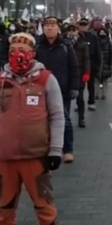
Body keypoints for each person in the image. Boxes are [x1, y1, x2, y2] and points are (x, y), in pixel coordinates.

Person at [0, 32, 64, 225]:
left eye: (22, 51)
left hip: (36, 156)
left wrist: (56, 150)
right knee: (5, 211)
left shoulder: (46, 79)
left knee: (45, 209)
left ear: (32, 53)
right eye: (13, 51)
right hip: (5, 158)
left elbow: (57, 116)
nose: (18, 55)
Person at [35, 16, 80, 164]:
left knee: (64, 120)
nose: (50, 28)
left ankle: (67, 150)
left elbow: (74, 67)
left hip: (62, 89)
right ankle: (47, 149)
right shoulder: (37, 46)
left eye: (53, 25)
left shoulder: (66, 46)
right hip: (40, 89)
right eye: (47, 25)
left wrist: (74, 86)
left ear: (58, 28)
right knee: (41, 121)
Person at [66, 24, 91, 128]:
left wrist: (87, 72)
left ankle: (81, 118)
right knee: (65, 99)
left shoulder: (82, 44)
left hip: (79, 73)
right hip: (66, 74)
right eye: (70, 30)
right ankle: (66, 119)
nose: (72, 32)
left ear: (77, 31)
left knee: (80, 98)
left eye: (74, 30)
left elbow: (86, 59)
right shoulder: (64, 43)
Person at [77, 18, 102, 112]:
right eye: (81, 24)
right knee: (79, 86)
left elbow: (97, 51)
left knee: (91, 85)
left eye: (85, 25)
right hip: (79, 65)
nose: (83, 27)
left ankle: (91, 102)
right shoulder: (76, 37)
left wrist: (99, 65)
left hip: (91, 64)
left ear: (88, 26)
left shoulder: (93, 37)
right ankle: (79, 103)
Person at [95, 27, 112, 100]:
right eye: (101, 32)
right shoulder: (96, 42)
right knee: (97, 79)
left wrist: (111, 65)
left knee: (105, 79)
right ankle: (96, 94)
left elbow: (111, 54)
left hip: (106, 63)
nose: (102, 34)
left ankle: (103, 94)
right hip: (98, 62)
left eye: (103, 32)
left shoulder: (109, 43)